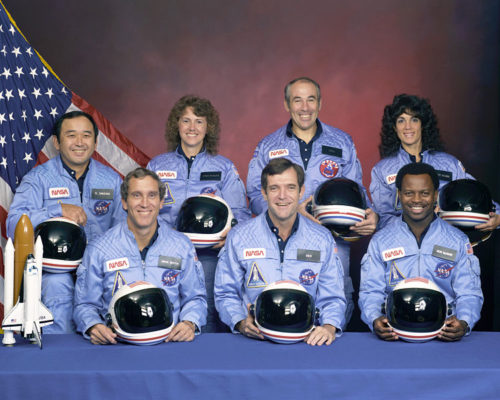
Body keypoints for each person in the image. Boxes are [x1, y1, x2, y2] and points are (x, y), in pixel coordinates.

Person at [246, 77, 377, 326]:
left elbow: (357, 192)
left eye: (311, 99)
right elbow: (254, 195)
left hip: (333, 241)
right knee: (285, 309)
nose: (304, 107)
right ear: (287, 104)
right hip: (280, 241)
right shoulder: (268, 145)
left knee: (334, 309)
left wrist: (371, 215)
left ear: (320, 103)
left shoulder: (342, 142)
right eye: (297, 100)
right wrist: (290, 213)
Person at [6, 111, 125, 333]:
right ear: (57, 142)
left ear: (96, 142)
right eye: (71, 135)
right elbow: (14, 224)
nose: (79, 142)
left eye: (86, 135)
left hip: (98, 270)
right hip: (55, 271)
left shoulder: (111, 180)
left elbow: (124, 231)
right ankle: (58, 361)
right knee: (56, 287)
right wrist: (57, 209)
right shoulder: (38, 179)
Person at [147, 95, 250, 332]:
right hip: (165, 255)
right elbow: (143, 210)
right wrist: (166, 236)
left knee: (209, 315)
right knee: (166, 314)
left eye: (199, 121)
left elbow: (240, 215)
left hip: (209, 258)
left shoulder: (223, 167)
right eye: (186, 121)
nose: (192, 128)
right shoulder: (157, 166)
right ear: (176, 125)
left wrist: (227, 237)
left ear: (208, 127)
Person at [215, 158, 346, 346]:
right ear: (264, 193)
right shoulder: (239, 236)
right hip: (255, 341)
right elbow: (225, 292)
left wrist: (329, 326)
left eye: (290, 187)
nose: (282, 196)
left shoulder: (321, 238)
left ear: (301, 191)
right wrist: (240, 321)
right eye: (274, 188)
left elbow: (333, 297)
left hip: (307, 341)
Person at [73, 168, 207, 345]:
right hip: (117, 346)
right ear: (124, 202)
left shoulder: (182, 246)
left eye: (151, 195)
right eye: (136, 195)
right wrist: (93, 325)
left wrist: (190, 322)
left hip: (169, 343)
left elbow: (196, 298)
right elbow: (85, 305)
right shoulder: (99, 248)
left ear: (161, 202)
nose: (145, 203)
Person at [359, 163, 483, 341]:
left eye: (424, 193)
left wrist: (464, 321)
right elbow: (371, 291)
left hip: (443, 333)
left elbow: (469, 292)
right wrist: (374, 319)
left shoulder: (457, 240)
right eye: (409, 193)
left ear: (435, 195)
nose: (416, 199)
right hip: (395, 332)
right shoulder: (381, 240)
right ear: (399, 195)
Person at [370, 93, 500, 230]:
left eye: (414, 119)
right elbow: (382, 219)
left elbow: (475, 196)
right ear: (394, 127)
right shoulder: (382, 170)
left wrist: (497, 216)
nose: (407, 126)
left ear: (423, 124)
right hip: (402, 246)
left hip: (445, 242)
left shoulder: (449, 164)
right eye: (401, 120)